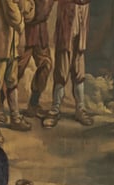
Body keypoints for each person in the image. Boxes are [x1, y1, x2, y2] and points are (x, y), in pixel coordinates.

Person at [0, 0, 35, 143]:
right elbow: (15, 16)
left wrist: (24, 6)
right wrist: (22, 19)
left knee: (12, 80)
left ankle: (15, 117)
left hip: (12, 42)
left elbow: (30, 11)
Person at [42, 0, 94, 129]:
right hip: (66, 17)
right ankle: (55, 109)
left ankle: (80, 109)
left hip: (82, 17)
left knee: (79, 67)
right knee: (62, 68)